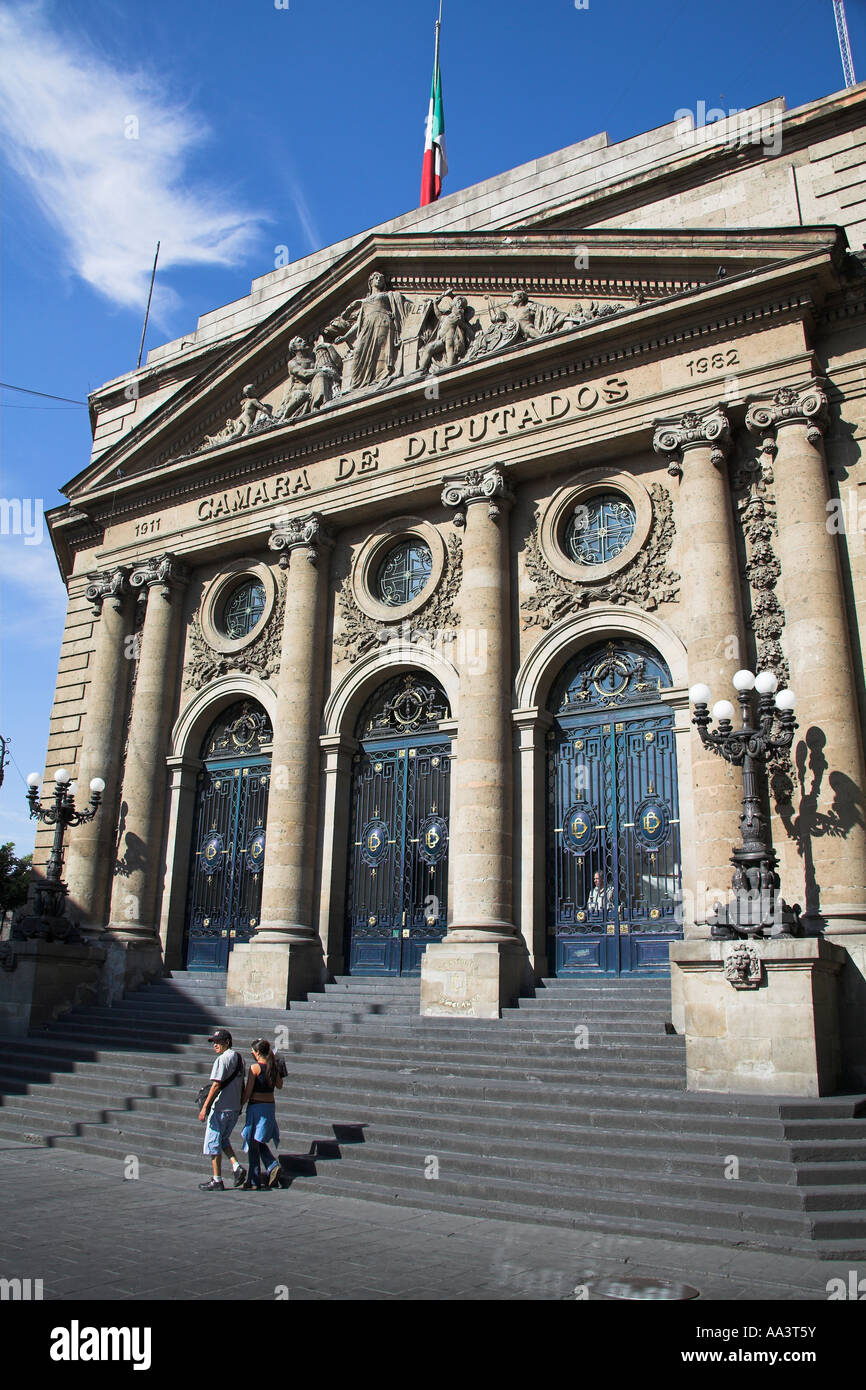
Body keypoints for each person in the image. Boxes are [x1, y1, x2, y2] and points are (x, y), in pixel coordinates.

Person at [198, 1029, 246, 1192]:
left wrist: (205, 1107)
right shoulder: (239, 1058)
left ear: (227, 1042)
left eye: (218, 1042)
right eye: (214, 1042)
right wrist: (240, 1103)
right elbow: (242, 1083)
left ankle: (217, 1179)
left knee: (213, 1143)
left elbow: (216, 1084)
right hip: (233, 1108)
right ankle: (236, 1166)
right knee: (223, 1140)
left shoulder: (222, 1059)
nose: (215, 1045)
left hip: (220, 1107)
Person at [240, 1038, 283, 1190]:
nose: (251, 1053)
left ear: (257, 1052)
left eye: (252, 1051)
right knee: (257, 1141)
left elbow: (248, 1091)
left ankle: (255, 1179)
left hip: (256, 1107)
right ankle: (269, 1167)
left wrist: (240, 1105)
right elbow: (279, 1085)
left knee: (253, 1141)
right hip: (269, 1107)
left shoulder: (255, 1068)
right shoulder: (273, 1067)